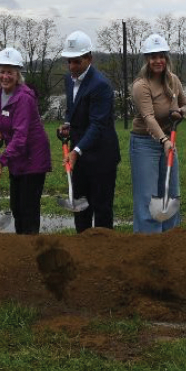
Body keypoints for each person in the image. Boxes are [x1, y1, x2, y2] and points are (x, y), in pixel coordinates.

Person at [58, 30, 121, 233]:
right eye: (69, 61)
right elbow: (73, 109)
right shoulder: (69, 80)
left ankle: (103, 253)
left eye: (76, 61)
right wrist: (67, 124)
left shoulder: (101, 86)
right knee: (81, 207)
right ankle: (82, 250)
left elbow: (97, 125)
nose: (72, 66)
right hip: (80, 155)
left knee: (101, 208)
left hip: (101, 157)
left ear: (89, 58)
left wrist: (76, 151)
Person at [130, 34, 186, 233]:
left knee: (171, 193)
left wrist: (180, 112)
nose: (158, 61)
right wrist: (163, 140)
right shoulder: (141, 85)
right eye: (153, 56)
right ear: (147, 59)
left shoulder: (173, 80)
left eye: (161, 56)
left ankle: (170, 239)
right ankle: (149, 243)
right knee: (148, 197)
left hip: (168, 140)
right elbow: (148, 117)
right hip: (145, 143)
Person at [0, 47, 52, 235]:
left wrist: (2, 161)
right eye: (2, 71)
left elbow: (20, 136)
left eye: (10, 72)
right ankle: (20, 248)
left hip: (33, 158)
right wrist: (0, 134)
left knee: (28, 209)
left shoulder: (24, 98)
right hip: (17, 156)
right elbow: (6, 122)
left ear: (18, 75)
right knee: (16, 207)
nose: (5, 76)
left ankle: (32, 250)